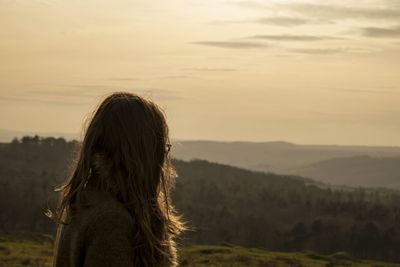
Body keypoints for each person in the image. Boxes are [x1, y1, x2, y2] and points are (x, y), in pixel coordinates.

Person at [47, 92, 186, 267]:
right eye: (161, 148)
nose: (164, 157)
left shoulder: (88, 202)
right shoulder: (111, 221)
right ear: (142, 155)